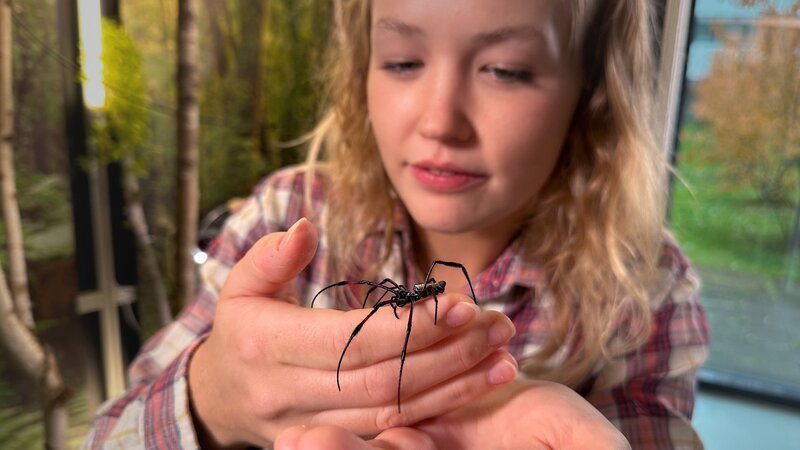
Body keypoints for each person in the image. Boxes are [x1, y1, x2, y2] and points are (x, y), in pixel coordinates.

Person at [83, 0, 709, 448]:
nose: (441, 122)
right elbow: (107, 435)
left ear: (590, 94)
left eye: (507, 69)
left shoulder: (645, 287)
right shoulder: (286, 217)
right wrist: (213, 398)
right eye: (404, 61)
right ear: (362, 71)